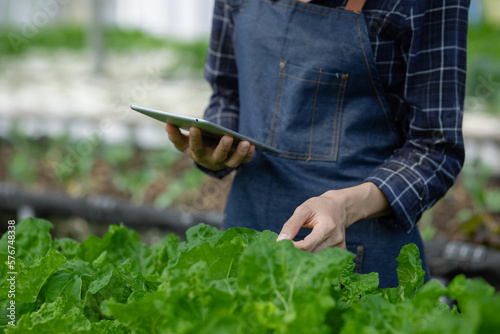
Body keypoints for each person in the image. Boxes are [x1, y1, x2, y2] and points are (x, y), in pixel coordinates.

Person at [165, 0, 469, 288]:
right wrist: (216, 145)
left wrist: (344, 207)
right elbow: (227, 94)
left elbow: (434, 148)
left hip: (361, 261)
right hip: (246, 237)